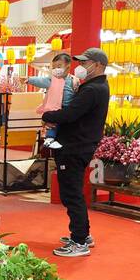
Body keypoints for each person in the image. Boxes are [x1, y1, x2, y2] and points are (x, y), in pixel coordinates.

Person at [41, 48, 111, 257]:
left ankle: (79, 240)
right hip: (79, 144)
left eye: (85, 62)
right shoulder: (92, 86)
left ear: (97, 65)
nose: (81, 67)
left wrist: (49, 114)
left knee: (71, 193)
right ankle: (82, 234)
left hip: (75, 147)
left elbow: (71, 114)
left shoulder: (92, 90)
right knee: (73, 192)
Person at [25, 51, 76, 150]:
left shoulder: (73, 80)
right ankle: (49, 139)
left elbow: (76, 93)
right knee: (53, 123)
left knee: (63, 125)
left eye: (59, 66)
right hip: (55, 106)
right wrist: (29, 79)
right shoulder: (52, 80)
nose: (56, 69)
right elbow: (41, 81)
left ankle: (57, 139)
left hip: (68, 108)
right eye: (54, 67)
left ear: (68, 67)